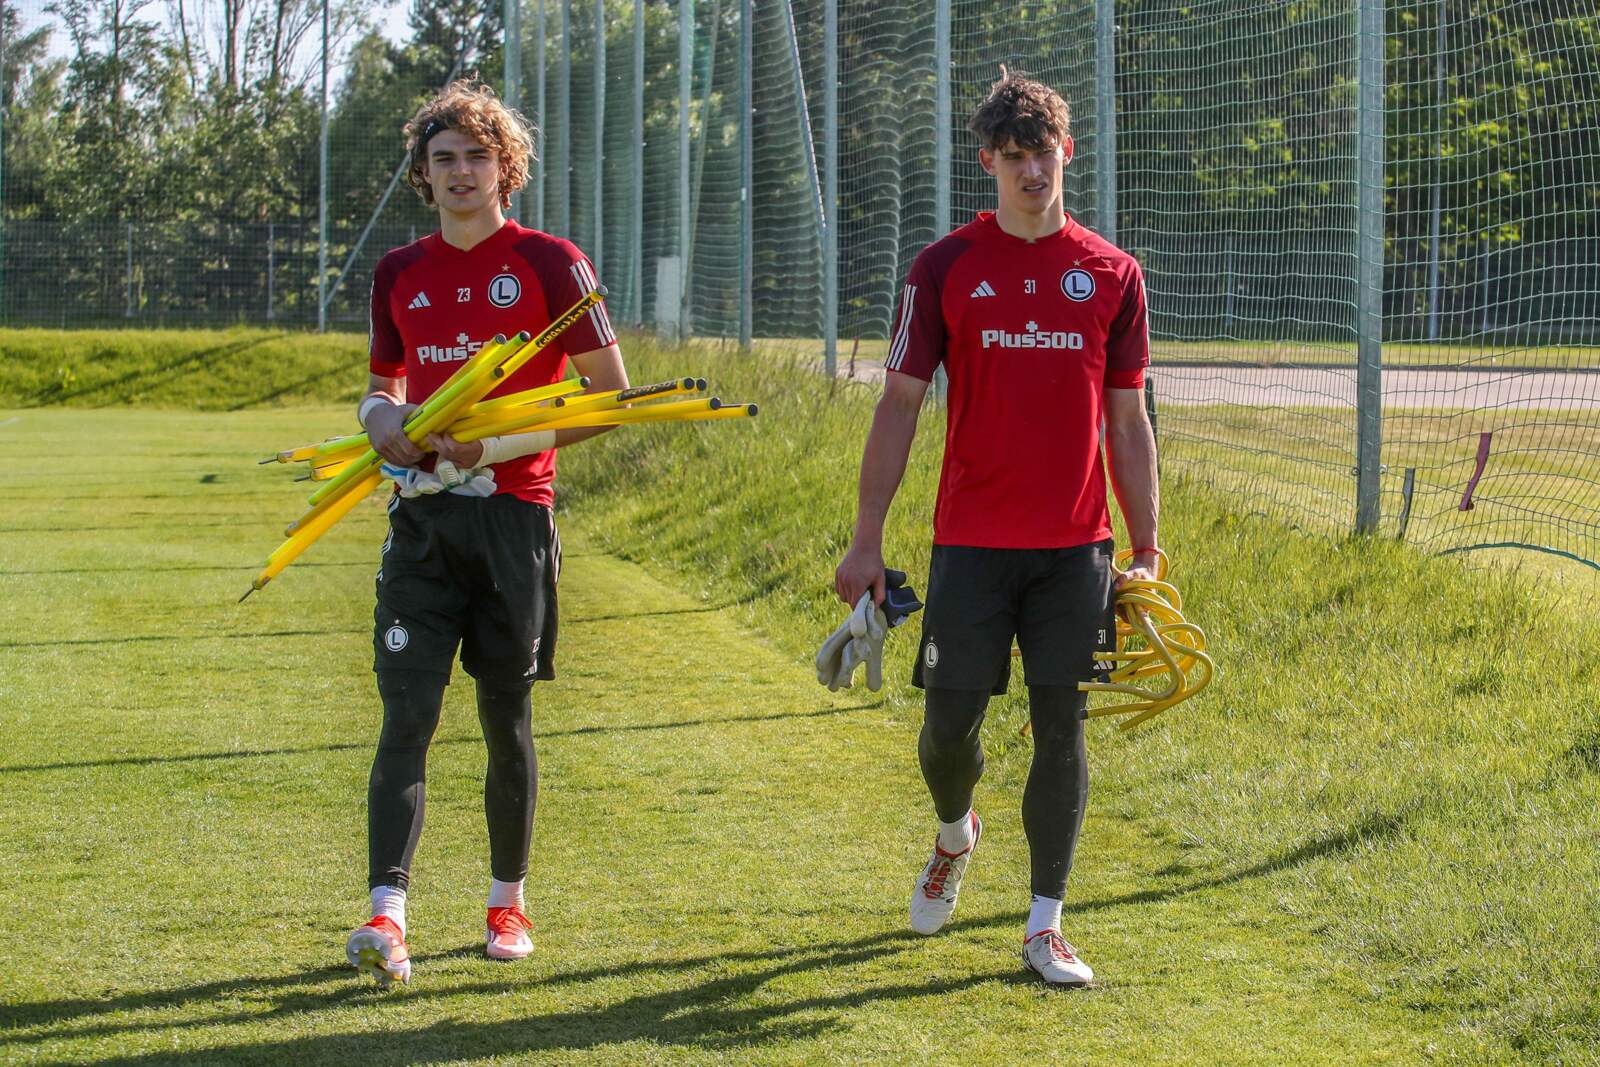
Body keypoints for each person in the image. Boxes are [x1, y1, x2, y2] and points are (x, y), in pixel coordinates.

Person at [833, 67, 1159, 987]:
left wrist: (1145, 548)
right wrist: (866, 538)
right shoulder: (944, 268)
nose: (1029, 171)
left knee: (1066, 729)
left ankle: (1045, 923)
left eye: (1042, 153)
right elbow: (897, 406)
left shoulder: (1112, 274)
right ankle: (954, 833)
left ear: (1068, 152)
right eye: (1012, 157)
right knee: (946, 733)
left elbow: (1128, 424)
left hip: (1076, 551)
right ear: (988, 161)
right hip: (970, 546)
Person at [343, 80, 627, 986]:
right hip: (423, 523)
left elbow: (609, 402)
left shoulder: (551, 261)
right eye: (442, 159)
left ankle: (507, 901)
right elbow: (386, 383)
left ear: (506, 163)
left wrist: (495, 443)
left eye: (475, 155)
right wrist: (376, 413)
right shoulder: (400, 272)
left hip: (514, 523)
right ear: (423, 176)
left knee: (505, 716)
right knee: (407, 718)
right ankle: (387, 916)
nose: (460, 172)